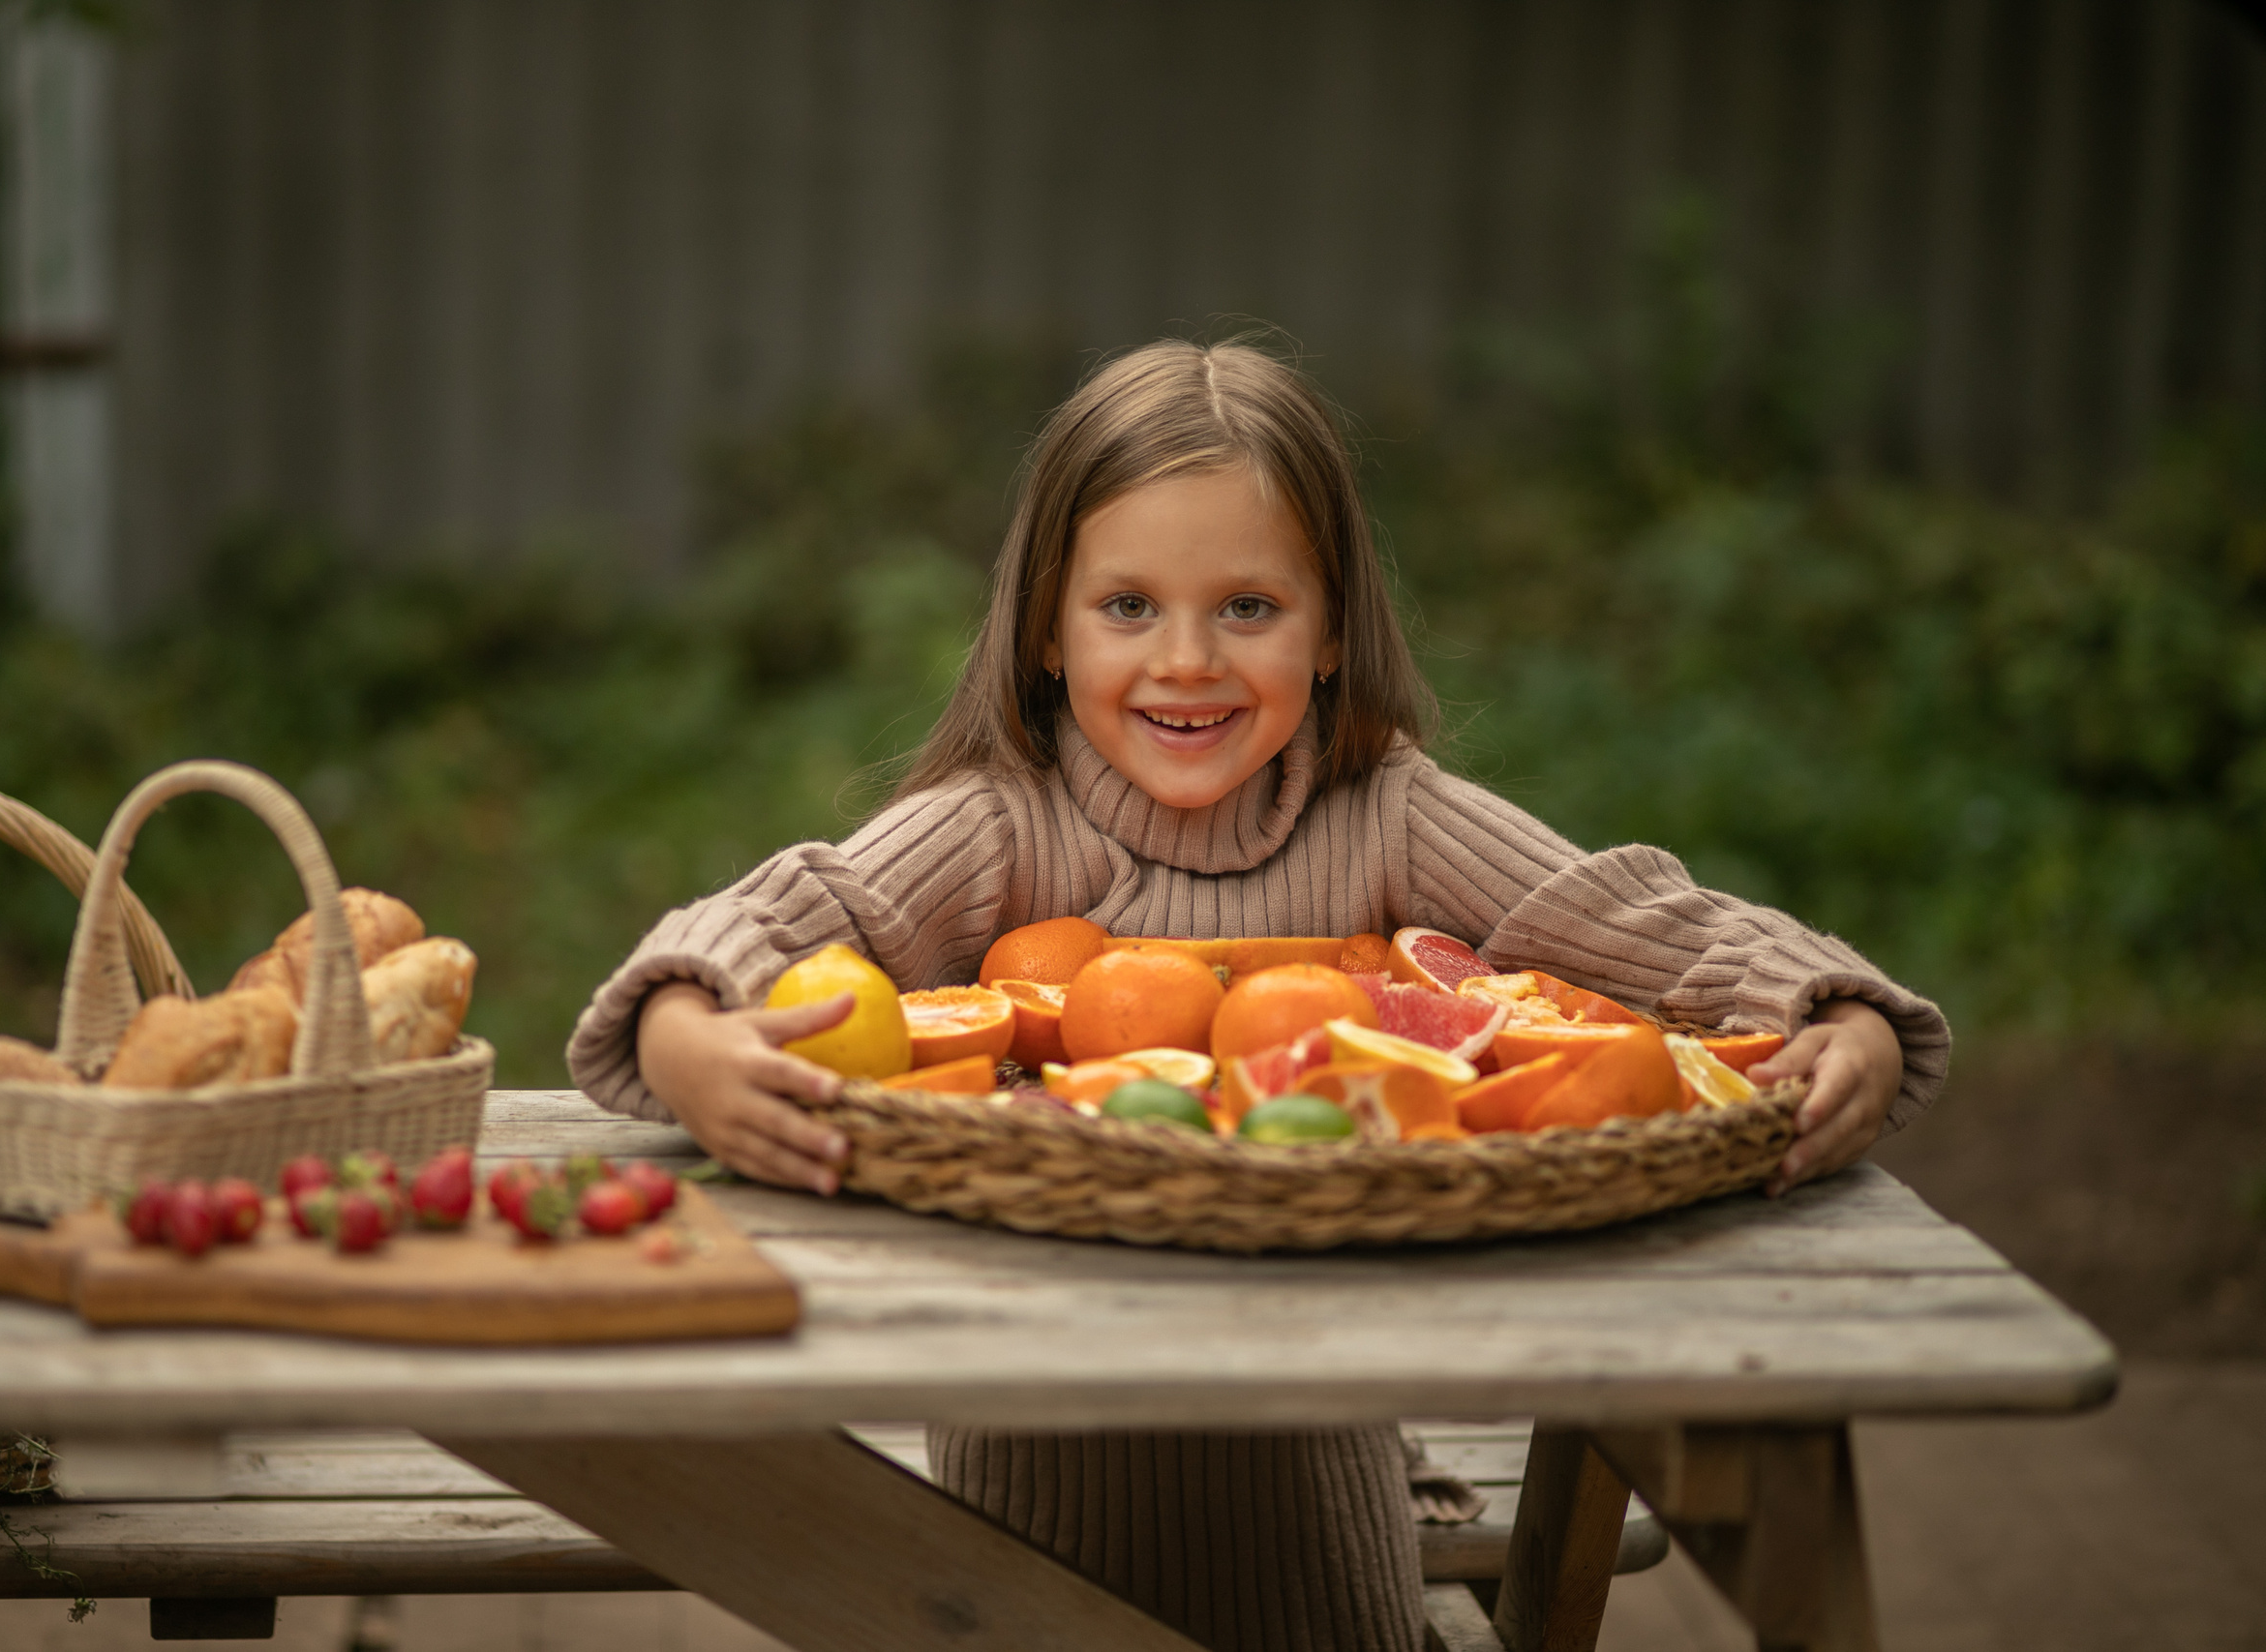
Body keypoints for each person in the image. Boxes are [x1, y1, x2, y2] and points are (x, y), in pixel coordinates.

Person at [568, 338, 1948, 1652]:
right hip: (1015, 1546)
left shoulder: (1389, 821)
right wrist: (686, 1032)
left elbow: (1635, 921)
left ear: (1332, 629)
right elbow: (774, 913)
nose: (1186, 661)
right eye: (1127, 608)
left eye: (1248, 606)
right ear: (1045, 632)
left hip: (1321, 1533)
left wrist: (1843, 1012)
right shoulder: (998, 829)